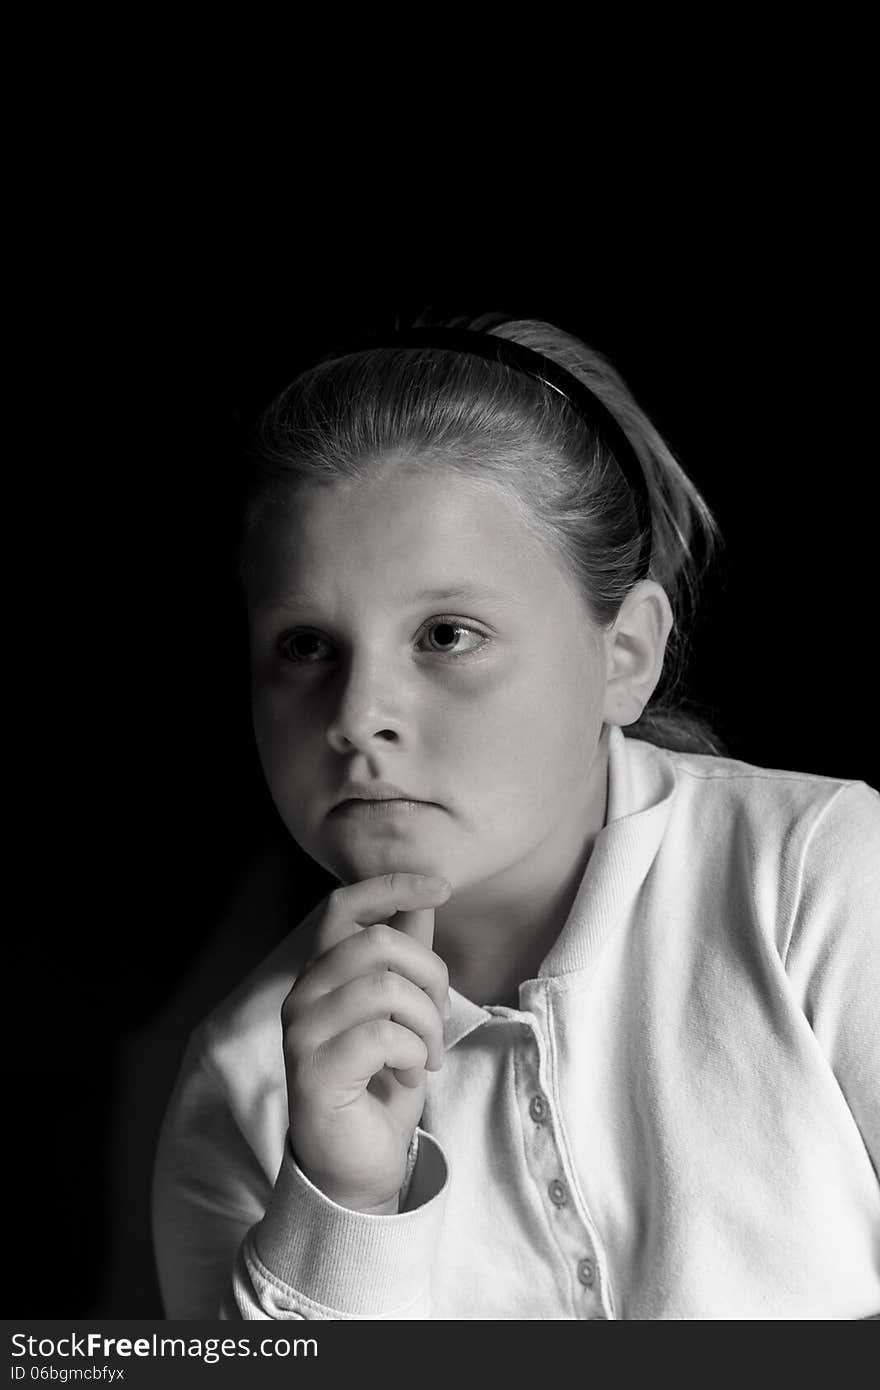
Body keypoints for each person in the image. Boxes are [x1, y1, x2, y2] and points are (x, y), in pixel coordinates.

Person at [151, 310, 880, 1320]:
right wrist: (343, 1206)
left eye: (446, 633)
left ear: (623, 654)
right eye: (307, 645)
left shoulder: (823, 878)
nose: (358, 719)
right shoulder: (238, 1088)